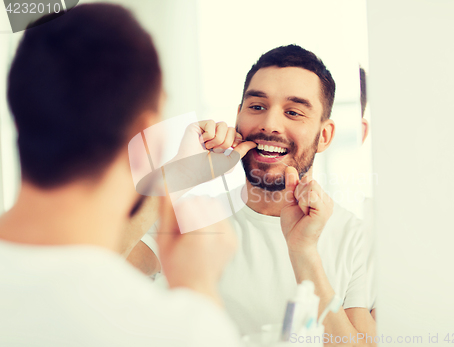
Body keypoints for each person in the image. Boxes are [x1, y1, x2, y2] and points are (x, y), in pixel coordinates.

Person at [0, 4, 244, 346]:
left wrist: (173, 175)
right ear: (146, 132)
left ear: (18, 114)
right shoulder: (175, 329)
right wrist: (198, 292)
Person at [129, 45, 377, 344]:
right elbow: (94, 266)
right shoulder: (188, 218)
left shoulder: (356, 236)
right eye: (257, 107)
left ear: (324, 135)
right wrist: (179, 175)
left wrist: (305, 254)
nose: (269, 124)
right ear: (238, 117)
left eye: (293, 112)